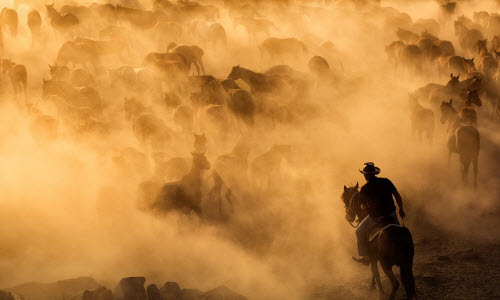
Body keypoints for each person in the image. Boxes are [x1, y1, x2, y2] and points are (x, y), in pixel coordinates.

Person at [353, 162, 405, 265]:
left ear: (367, 175)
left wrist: (367, 206)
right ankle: (404, 252)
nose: (364, 176)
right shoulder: (386, 181)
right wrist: (401, 209)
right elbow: (397, 196)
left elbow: (363, 206)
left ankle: (365, 256)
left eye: (364, 174)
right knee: (401, 234)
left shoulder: (364, 188)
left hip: (376, 218)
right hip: (391, 214)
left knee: (358, 231)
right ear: (375, 173)